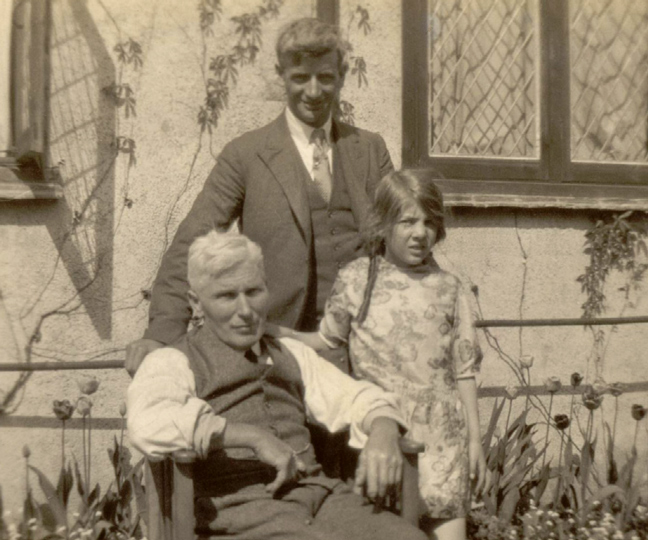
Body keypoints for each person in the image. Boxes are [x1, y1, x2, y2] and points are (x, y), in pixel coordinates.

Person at [125, 17, 393, 376]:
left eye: (325, 77)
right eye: (300, 78)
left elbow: (406, 235)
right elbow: (191, 243)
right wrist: (161, 335)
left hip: (368, 351)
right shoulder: (247, 154)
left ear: (342, 76)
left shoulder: (371, 150)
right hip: (280, 351)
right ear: (280, 75)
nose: (313, 92)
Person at [127, 228, 427, 540]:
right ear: (197, 304)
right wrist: (251, 437)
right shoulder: (173, 362)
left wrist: (382, 427)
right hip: (239, 516)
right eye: (227, 296)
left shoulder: (291, 353)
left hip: (320, 500)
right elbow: (148, 422)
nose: (245, 311)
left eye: (254, 292)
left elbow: (353, 397)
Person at [273, 171, 487, 540]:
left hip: (444, 441)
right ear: (384, 224)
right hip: (384, 440)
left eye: (429, 222)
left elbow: (464, 371)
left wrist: (474, 443)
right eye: (407, 221)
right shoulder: (359, 280)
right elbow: (325, 340)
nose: (420, 233)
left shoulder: (451, 289)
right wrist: (275, 334)